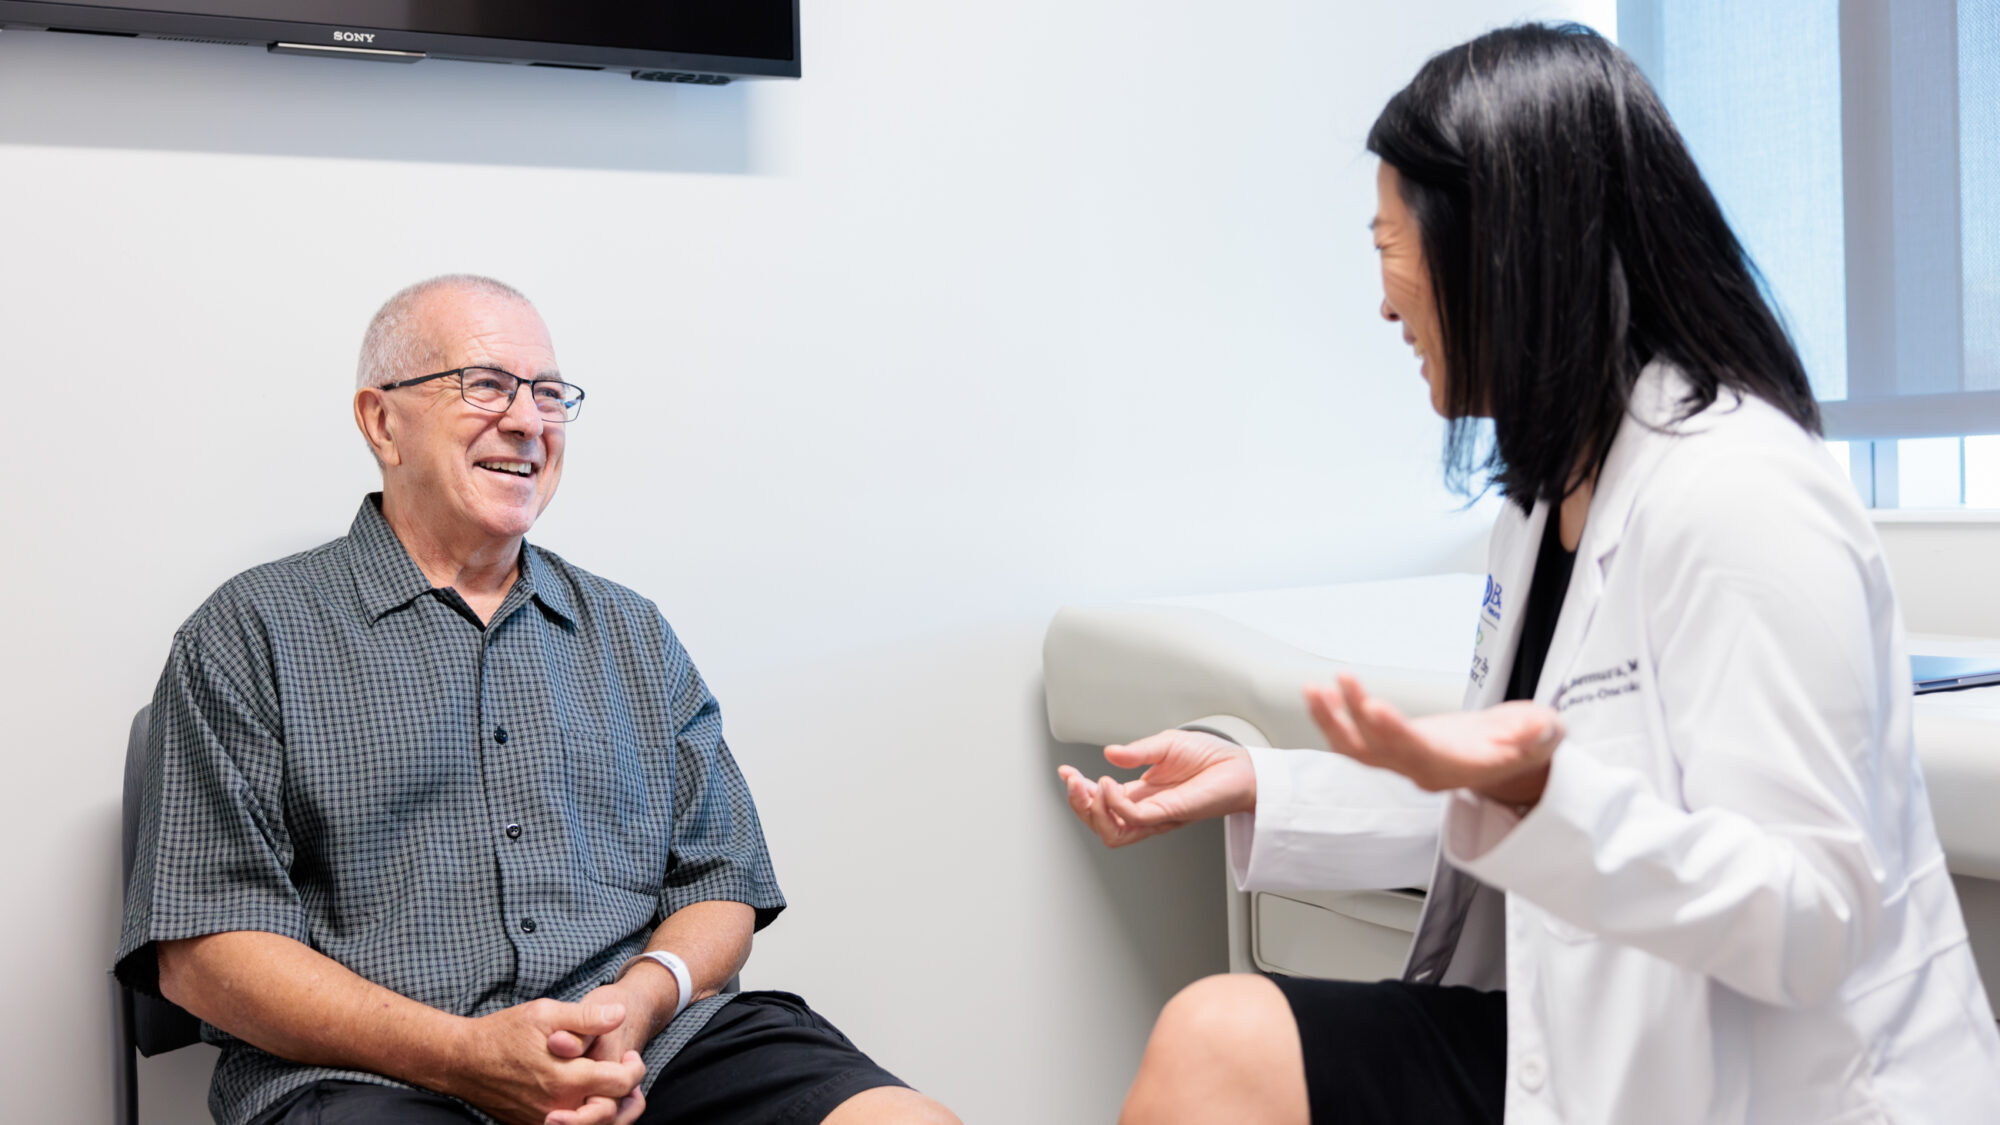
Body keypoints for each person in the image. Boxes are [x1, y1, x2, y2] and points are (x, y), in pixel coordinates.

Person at [1059, 23, 2000, 1125]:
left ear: (1500, 250)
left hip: (1759, 1087)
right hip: (1600, 1049)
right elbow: (1509, 808)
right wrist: (1264, 782)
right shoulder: (1546, 494)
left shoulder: (1737, 496)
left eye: (1386, 246)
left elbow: (1809, 918)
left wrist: (1542, 798)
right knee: (1216, 1040)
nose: (1381, 302)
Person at [116, 275, 961, 1125]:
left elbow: (721, 883)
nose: (527, 421)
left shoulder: (633, 633)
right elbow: (203, 954)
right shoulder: (247, 633)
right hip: (375, 1079)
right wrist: (466, 1056)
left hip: (650, 1053)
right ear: (382, 421)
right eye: (485, 385)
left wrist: (637, 1003)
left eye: (549, 394)